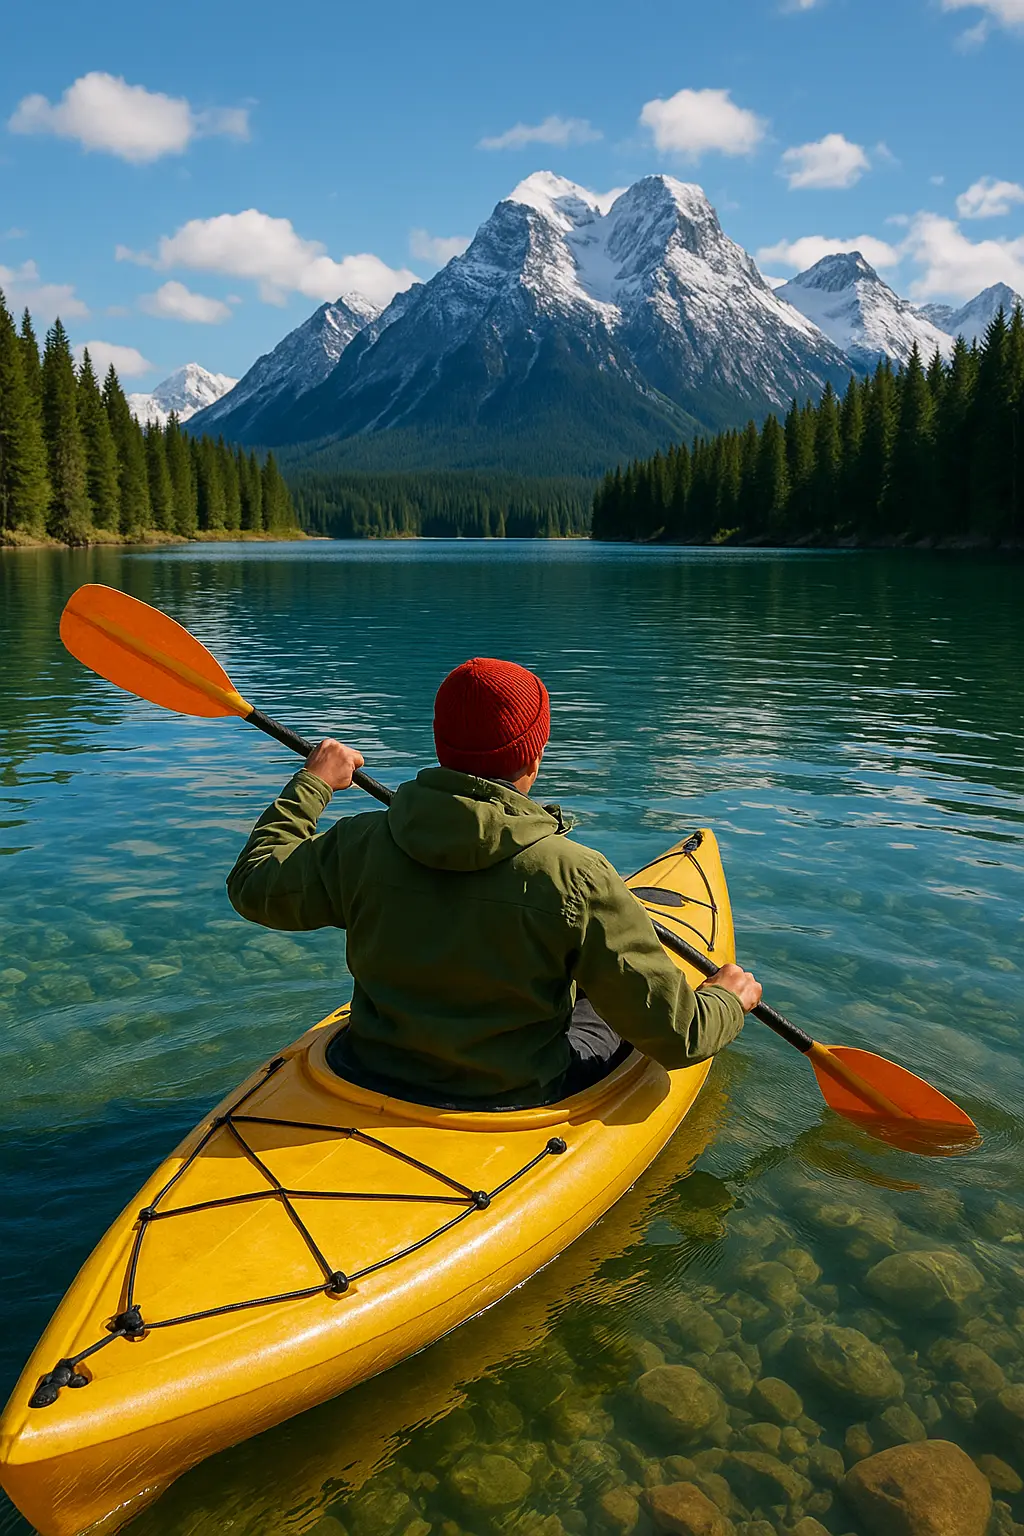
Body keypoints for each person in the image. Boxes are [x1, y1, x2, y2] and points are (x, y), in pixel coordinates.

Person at [227, 658, 761, 1109]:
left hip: (368, 1068)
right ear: (535, 753)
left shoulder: (359, 842)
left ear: (441, 744)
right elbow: (679, 1038)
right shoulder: (578, 874)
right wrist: (725, 1001)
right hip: (515, 1095)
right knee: (604, 1004)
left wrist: (313, 783)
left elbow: (254, 885)